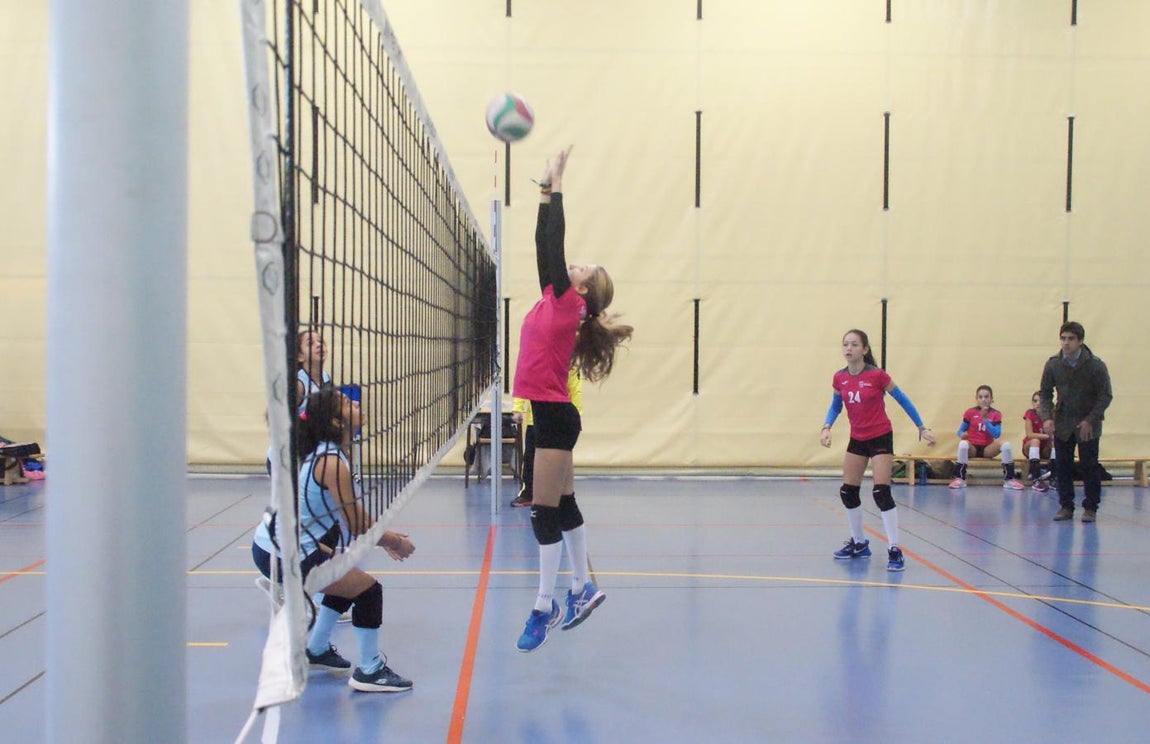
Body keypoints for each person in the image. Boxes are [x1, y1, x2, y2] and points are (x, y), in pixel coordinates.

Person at [512, 145, 633, 652]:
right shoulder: (554, 298)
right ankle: (582, 588)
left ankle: (545, 605)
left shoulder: (567, 303)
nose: (572, 265)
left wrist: (557, 184)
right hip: (552, 414)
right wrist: (543, 190)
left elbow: (552, 241)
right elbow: (545, 246)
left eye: (582, 267)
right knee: (562, 506)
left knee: (542, 513)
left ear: (584, 289)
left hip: (557, 417)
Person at [252, 386, 416, 692]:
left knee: (345, 575)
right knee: (369, 591)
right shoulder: (331, 461)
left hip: (284, 544)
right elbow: (355, 523)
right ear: (337, 423)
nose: (355, 401)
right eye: (345, 402)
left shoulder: (334, 454)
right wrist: (393, 540)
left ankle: (316, 649)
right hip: (281, 552)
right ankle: (369, 670)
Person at [820, 329, 936, 572]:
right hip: (858, 438)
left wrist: (922, 427)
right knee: (847, 492)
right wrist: (827, 426)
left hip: (880, 436)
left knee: (881, 492)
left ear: (864, 349)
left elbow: (903, 399)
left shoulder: (877, 375)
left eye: (854, 344)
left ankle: (894, 548)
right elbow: (835, 405)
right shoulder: (839, 378)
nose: (848, 348)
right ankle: (860, 543)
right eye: (845, 344)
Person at [1039, 321, 1113, 523]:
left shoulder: (1095, 365)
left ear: (1080, 341)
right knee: (1062, 466)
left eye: (1071, 339)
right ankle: (1066, 506)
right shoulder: (1053, 363)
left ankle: (1090, 507)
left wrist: (1091, 419)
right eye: (1063, 338)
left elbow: (1105, 396)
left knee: (1089, 466)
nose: (1066, 343)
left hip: (1087, 424)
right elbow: (1045, 394)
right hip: (1063, 422)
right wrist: (1046, 417)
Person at [510, 368, 582, 508]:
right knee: (530, 457)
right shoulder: (537, 362)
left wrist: (576, 415)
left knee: (561, 458)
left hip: (560, 418)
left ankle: (562, 495)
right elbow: (524, 382)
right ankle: (528, 494)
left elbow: (575, 389)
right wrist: (517, 408)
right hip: (535, 420)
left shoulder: (570, 363)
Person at [946, 385, 1025, 490]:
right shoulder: (970, 412)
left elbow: (996, 434)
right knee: (963, 444)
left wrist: (985, 420)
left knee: (1006, 445)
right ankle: (960, 479)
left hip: (988, 448)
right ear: (976, 399)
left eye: (986, 397)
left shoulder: (996, 414)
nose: (983, 400)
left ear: (991, 399)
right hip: (973, 448)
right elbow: (959, 431)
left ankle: (1009, 480)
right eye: (980, 397)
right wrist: (962, 435)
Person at [1022, 390, 1055, 492]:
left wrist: (1051, 437)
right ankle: (1036, 477)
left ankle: (1054, 476)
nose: (1038, 404)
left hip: (1045, 448)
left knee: (1055, 442)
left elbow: (1055, 434)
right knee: (1035, 440)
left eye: (1041, 401)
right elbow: (1030, 434)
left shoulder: (1052, 415)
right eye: (1035, 401)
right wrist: (1047, 436)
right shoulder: (1030, 413)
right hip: (1030, 446)